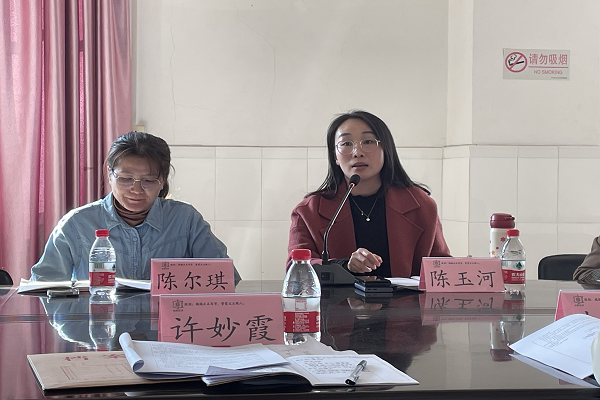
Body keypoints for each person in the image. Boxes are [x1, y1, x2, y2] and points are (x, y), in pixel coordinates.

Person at [31, 131, 241, 283]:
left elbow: (226, 278)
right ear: (109, 174)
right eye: (126, 179)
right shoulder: (77, 224)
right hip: (98, 327)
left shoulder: (185, 220)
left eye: (148, 180)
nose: (136, 190)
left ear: (162, 180)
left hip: (167, 328)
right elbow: (42, 287)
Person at [287, 110, 450, 278]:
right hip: (337, 296)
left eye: (368, 141)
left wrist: (460, 268)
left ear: (386, 148)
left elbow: (440, 267)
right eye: (346, 143)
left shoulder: (421, 205)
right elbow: (295, 268)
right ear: (335, 156)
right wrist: (343, 265)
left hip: (406, 296)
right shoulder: (308, 211)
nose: (357, 152)